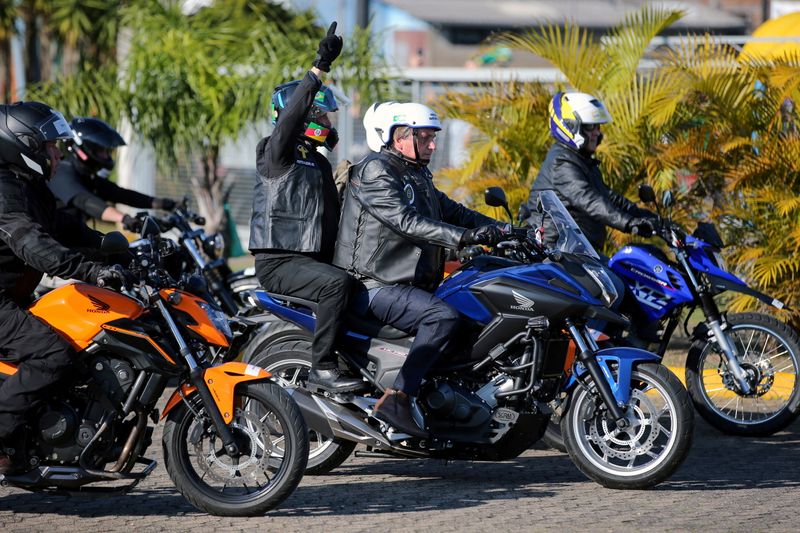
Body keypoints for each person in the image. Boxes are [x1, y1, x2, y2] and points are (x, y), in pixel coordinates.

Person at [334, 101, 505, 437]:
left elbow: (452, 211)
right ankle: (398, 397)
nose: (432, 144)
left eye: (432, 137)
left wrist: (503, 230)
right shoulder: (377, 171)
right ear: (400, 138)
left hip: (410, 284)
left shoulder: (416, 173)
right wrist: (465, 237)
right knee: (441, 318)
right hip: (375, 284)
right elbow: (406, 222)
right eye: (425, 137)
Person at [0, 101, 130, 475]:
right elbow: (34, 244)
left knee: (80, 348)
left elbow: (64, 228)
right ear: (25, 146)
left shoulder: (30, 187)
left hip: (14, 298)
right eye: (51, 147)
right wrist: (88, 269)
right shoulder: (5, 192)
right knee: (53, 354)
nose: (58, 154)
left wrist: (117, 254)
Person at [249, 22, 362, 393]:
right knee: (336, 286)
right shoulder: (275, 153)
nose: (329, 123)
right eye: (323, 115)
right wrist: (319, 68)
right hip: (281, 261)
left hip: (310, 259)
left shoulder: (317, 163)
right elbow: (289, 120)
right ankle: (322, 366)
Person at [527, 92, 658, 252]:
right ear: (569, 125)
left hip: (577, 252)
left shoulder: (580, 160)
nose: (597, 132)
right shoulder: (561, 163)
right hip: (557, 252)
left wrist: (651, 219)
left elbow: (608, 197)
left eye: (597, 127)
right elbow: (590, 201)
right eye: (590, 127)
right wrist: (628, 223)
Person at [47, 116, 176, 231]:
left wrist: (165, 203)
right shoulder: (61, 172)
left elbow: (122, 194)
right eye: (101, 150)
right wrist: (125, 219)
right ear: (84, 147)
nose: (106, 156)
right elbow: (86, 201)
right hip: (52, 247)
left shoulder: (87, 176)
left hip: (71, 243)